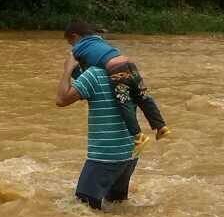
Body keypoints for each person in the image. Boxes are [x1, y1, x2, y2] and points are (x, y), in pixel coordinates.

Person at [64, 20, 170, 155]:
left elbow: (82, 75)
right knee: (143, 97)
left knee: (123, 102)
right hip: (130, 65)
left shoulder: (77, 50)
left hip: (117, 70)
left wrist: (70, 70)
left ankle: (138, 136)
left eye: (70, 42)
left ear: (75, 36)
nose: (71, 45)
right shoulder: (99, 40)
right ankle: (161, 127)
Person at [55, 52, 138, 211]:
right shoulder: (125, 71)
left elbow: (61, 99)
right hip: (129, 154)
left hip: (105, 156)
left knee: (82, 210)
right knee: (117, 207)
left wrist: (67, 70)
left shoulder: (93, 75)